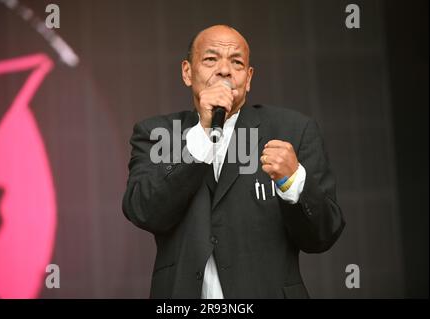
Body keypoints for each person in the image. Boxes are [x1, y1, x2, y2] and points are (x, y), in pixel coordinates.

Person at [122, 25, 345, 299]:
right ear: (187, 72)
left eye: (236, 62)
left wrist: (294, 181)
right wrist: (202, 134)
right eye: (210, 59)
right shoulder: (155, 134)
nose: (225, 70)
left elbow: (323, 235)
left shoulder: (293, 130)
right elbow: (144, 210)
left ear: (248, 78)